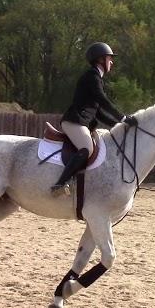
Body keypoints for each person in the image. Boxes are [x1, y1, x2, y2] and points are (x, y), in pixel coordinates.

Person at [50, 42, 138, 197]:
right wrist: (123, 117)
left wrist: (120, 124)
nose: (112, 62)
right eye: (110, 58)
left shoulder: (96, 77)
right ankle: (60, 184)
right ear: (100, 60)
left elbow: (99, 113)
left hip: (81, 121)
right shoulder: (92, 76)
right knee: (87, 148)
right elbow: (103, 100)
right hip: (74, 121)